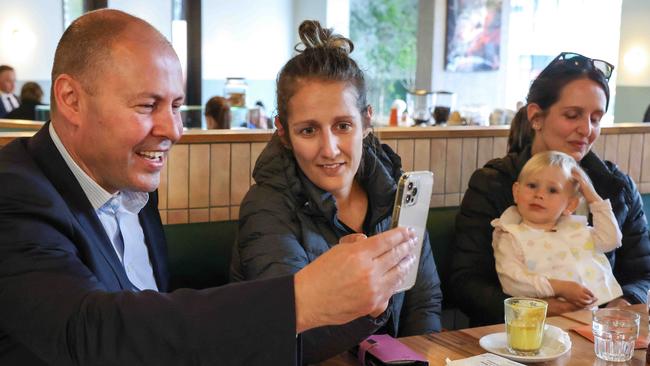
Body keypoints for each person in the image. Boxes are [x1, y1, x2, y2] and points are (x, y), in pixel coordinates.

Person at [0, 10, 419, 365]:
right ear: (71, 99)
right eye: (148, 105)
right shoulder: (15, 191)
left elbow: (166, 337)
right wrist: (300, 299)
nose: (174, 130)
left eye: (177, 106)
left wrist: (365, 302)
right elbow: (91, 330)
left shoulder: (131, 186)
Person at [230, 20, 442, 363]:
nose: (329, 149)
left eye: (343, 126)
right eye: (308, 130)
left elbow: (424, 301)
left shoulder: (395, 191)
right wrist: (369, 306)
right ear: (283, 133)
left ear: (367, 122)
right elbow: (287, 329)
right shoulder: (266, 207)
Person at [451, 51, 650, 326]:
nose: (586, 129)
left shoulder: (616, 188)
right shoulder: (494, 182)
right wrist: (539, 308)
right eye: (572, 115)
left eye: (596, 118)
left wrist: (622, 302)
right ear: (536, 116)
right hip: (513, 338)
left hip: (599, 335)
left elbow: (644, 274)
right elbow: (465, 283)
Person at [492, 150, 623, 307]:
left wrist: (591, 195)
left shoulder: (577, 230)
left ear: (570, 205)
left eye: (552, 190)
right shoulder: (510, 234)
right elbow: (512, 280)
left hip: (594, 316)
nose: (539, 194)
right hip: (543, 321)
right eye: (532, 185)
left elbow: (612, 240)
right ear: (516, 191)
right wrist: (559, 288)